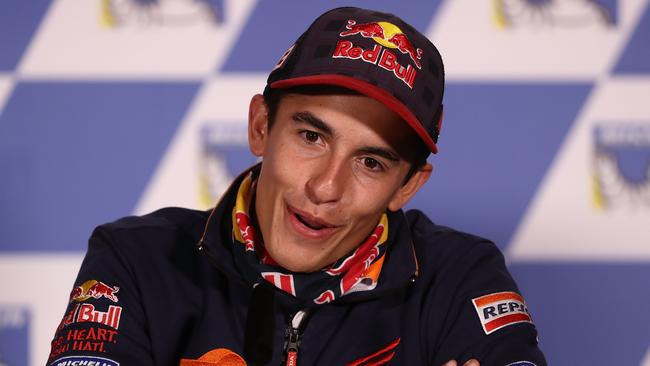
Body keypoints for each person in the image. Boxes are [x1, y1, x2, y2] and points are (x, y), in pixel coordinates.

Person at [47, 7, 546, 366]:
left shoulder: (460, 277)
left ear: (407, 187)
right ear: (261, 127)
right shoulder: (139, 258)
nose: (327, 187)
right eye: (311, 136)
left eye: (371, 163)